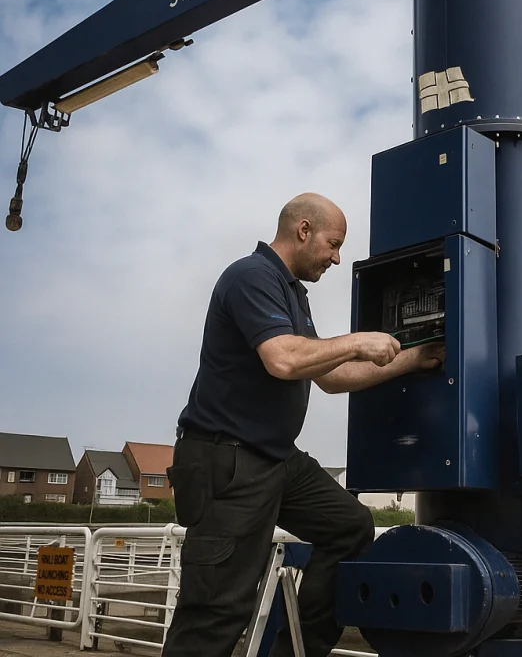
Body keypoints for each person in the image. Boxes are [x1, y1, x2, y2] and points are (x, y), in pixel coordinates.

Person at [162, 192, 444, 657]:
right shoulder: (251, 276)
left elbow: (330, 377)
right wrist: (357, 340)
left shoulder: (292, 294)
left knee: (350, 525)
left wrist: (413, 359)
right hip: (228, 458)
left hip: (274, 458)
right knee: (217, 609)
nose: (337, 257)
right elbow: (283, 359)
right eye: (333, 244)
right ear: (304, 230)